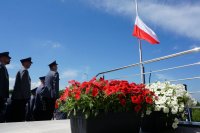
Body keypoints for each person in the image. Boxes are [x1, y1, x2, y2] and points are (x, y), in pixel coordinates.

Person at [11, 57, 32, 122]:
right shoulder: (25, 71)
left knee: (16, 118)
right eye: (29, 63)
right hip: (21, 99)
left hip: (17, 98)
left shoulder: (20, 70)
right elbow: (24, 86)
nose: (30, 64)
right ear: (25, 63)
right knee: (20, 119)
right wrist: (27, 98)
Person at [0, 52, 11, 123]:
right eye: (8, 58)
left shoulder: (3, 68)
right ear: (2, 58)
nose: (9, 59)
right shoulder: (1, 68)